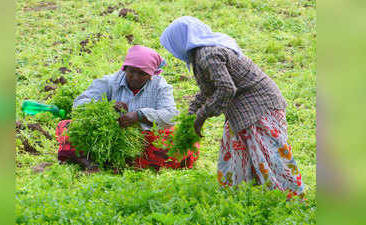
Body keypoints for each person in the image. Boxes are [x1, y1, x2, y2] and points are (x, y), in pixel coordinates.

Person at [160, 16, 304, 199]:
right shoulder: (200, 56)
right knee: (236, 152)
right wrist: (190, 118)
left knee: (269, 155)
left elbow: (226, 89)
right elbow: (207, 91)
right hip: (243, 110)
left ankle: (289, 199)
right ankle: (241, 197)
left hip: (260, 107)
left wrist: (201, 117)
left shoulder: (208, 55)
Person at [55, 45, 199, 171]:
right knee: (69, 127)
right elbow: (79, 104)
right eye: (132, 71)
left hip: (143, 140)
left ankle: (113, 161)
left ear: (151, 75)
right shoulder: (110, 82)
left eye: (142, 73)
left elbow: (171, 116)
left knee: (182, 143)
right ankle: (90, 163)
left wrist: (139, 115)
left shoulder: (160, 86)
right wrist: (105, 107)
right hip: (106, 137)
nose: (135, 77)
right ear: (125, 69)